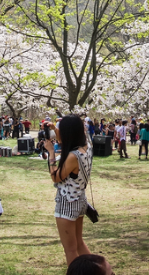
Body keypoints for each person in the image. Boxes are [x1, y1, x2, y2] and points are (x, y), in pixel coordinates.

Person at [43, 114, 93, 266]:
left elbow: (55, 177)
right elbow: (67, 140)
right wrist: (54, 129)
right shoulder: (86, 146)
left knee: (70, 250)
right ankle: (99, 270)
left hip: (67, 203)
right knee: (78, 243)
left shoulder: (73, 156)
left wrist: (51, 153)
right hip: (80, 200)